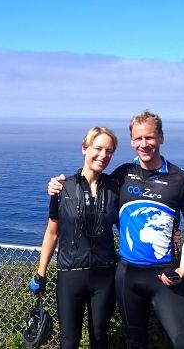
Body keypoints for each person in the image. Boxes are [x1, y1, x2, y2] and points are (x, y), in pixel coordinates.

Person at [48, 110, 184, 349]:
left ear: (161, 137)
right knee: (135, 343)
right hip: (126, 275)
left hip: (165, 274)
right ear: (131, 142)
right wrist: (58, 184)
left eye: (149, 137)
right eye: (138, 139)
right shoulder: (122, 176)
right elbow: (91, 184)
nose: (144, 144)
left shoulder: (181, 179)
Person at [30, 126, 120, 349]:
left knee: (100, 338)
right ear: (84, 149)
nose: (103, 155)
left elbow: (129, 226)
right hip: (70, 275)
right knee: (69, 342)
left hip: (105, 275)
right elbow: (52, 232)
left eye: (109, 151)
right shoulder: (62, 188)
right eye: (97, 148)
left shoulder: (116, 188)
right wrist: (41, 273)